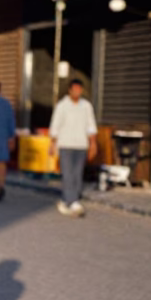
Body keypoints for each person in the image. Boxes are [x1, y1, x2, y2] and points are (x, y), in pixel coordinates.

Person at [49, 79, 98, 217]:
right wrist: (53, 143)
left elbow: (91, 125)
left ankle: (68, 199)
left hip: (81, 144)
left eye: (79, 89)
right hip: (65, 144)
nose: (77, 92)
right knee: (67, 174)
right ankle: (73, 201)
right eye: (74, 89)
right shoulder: (62, 106)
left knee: (77, 174)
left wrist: (93, 143)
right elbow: (55, 125)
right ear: (70, 90)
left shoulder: (86, 106)